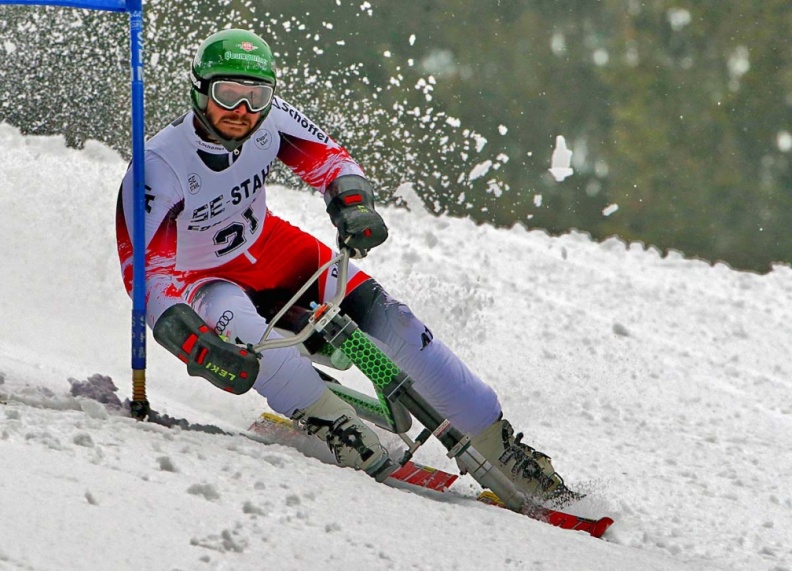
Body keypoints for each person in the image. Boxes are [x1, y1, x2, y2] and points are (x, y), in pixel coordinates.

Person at [117, 29, 568, 501]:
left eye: (257, 96)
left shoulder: (270, 123)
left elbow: (331, 160)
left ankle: (499, 444)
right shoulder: (158, 168)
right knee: (261, 346)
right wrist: (195, 343)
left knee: (395, 320)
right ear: (199, 90)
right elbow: (147, 276)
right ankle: (333, 423)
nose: (243, 112)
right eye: (228, 94)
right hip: (203, 280)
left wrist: (352, 203)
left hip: (274, 249)